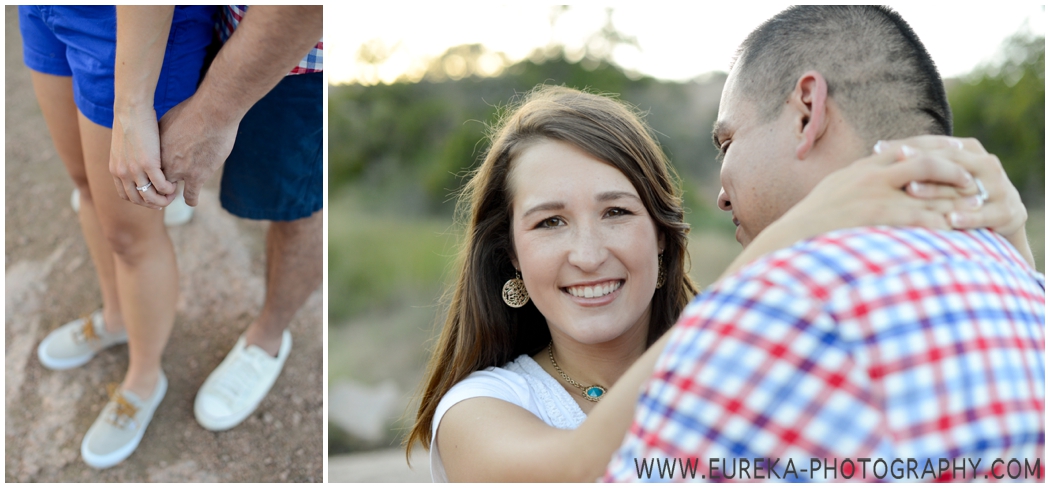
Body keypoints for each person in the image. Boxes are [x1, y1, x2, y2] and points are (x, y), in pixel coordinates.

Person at [405, 85, 1031, 482]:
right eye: (549, 223)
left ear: (661, 233)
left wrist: (1012, 244)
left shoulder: (767, 345)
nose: (588, 254)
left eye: (617, 212)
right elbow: (578, 469)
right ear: (510, 257)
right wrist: (787, 240)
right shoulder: (479, 410)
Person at [605, 6, 1044, 482]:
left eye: (727, 142)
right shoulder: (1027, 290)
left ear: (807, 111)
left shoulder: (773, 314)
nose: (722, 195)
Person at [21, 5, 216, 468]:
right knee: (84, 183)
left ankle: (144, 379)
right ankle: (116, 318)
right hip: (43, 11)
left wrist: (131, 106)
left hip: (130, 27)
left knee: (132, 231)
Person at [113, 5, 323, 431]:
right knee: (169, 143)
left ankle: (267, 340)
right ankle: (167, 198)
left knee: (297, 208)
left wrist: (212, 115)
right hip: (203, 18)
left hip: (300, 59)